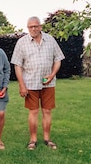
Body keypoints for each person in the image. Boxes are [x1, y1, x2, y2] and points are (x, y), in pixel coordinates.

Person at [11, 16, 65, 151]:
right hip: (30, 83)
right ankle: (33, 140)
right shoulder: (21, 43)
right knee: (33, 112)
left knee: (47, 111)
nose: (33, 29)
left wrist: (52, 75)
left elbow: (58, 59)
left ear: (40, 27)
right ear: (27, 28)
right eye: (30, 27)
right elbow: (17, 65)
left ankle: (47, 139)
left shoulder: (50, 40)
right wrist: (21, 85)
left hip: (49, 83)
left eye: (36, 26)